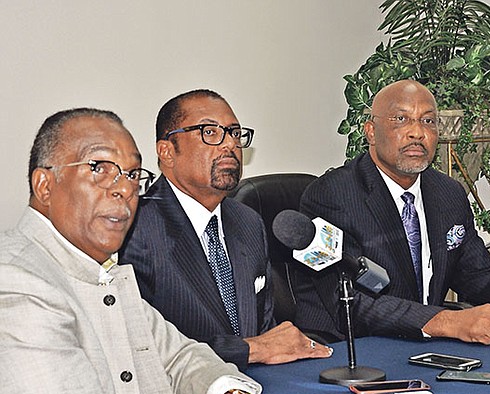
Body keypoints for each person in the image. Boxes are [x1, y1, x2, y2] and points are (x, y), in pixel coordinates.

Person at [0, 108, 263, 394]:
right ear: (45, 185)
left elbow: (181, 357)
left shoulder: (100, 273)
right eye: (100, 168)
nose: (124, 189)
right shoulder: (17, 285)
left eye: (132, 174)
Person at [294, 80, 490, 344]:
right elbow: (348, 301)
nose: (417, 133)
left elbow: (479, 276)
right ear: (371, 132)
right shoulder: (331, 195)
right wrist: (446, 321)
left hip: (423, 350)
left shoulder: (447, 193)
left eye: (428, 122)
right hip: (350, 352)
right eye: (401, 119)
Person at [119, 89, 332, 370]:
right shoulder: (133, 228)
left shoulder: (248, 221)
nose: (229, 144)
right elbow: (142, 344)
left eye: (234, 132)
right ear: (166, 151)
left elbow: (265, 329)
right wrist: (249, 349)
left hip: (258, 387)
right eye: (209, 132)